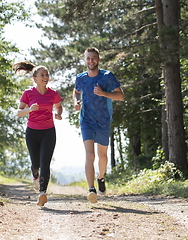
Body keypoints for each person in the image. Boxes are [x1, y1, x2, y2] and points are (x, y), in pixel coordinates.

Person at [73, 47, 124, 203]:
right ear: (85, 60)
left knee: (102, 156)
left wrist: (104, 93)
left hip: (103, 121)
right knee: (90, 155)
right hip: (86, 121)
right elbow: (75, 91)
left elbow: (120, 96)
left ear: (99, 60)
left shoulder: (107, 77)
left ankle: (100, 177)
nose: (91, 61)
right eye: (88, 58)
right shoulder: (80, 78)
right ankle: (91, 189)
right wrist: (76, 102)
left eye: (94, 58)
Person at [14, 61, 63, 207]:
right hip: (32, 132)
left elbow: (59, 107)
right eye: (42, 75)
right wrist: (30, 109)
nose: (46, 77)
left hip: (49, 132)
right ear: (35, 78)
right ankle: (35, 176)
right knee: (35, 164)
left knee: (45, 163)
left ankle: (43, 193)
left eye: (47, 74)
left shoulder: (53, 94)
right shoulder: (28, 93)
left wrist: (58, 114)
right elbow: (18, 113)